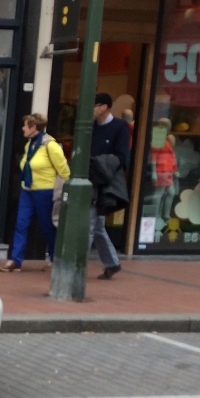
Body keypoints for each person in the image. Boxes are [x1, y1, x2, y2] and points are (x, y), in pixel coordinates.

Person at [1, 114, 68, 272]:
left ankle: (53, 258)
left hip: (45, 191)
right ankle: (16, 260)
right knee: (20, 224)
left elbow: (64, 170)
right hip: (27, 189)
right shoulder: (29, 145)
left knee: (47, 227)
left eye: (25, 126)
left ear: (33, 128)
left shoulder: (50, 145)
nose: (23, 128)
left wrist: (63, 190)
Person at [89, 93, 127, 279]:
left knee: (91, 223)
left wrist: (100, 165)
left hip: (105, 183)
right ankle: (112, 263)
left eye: (94, 105)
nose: (92, 110)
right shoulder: (91, 127)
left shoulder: (120, 127)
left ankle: (76, 266)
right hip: (90, 181)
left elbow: (122, 157)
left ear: (104, 107)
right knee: (97, 225)